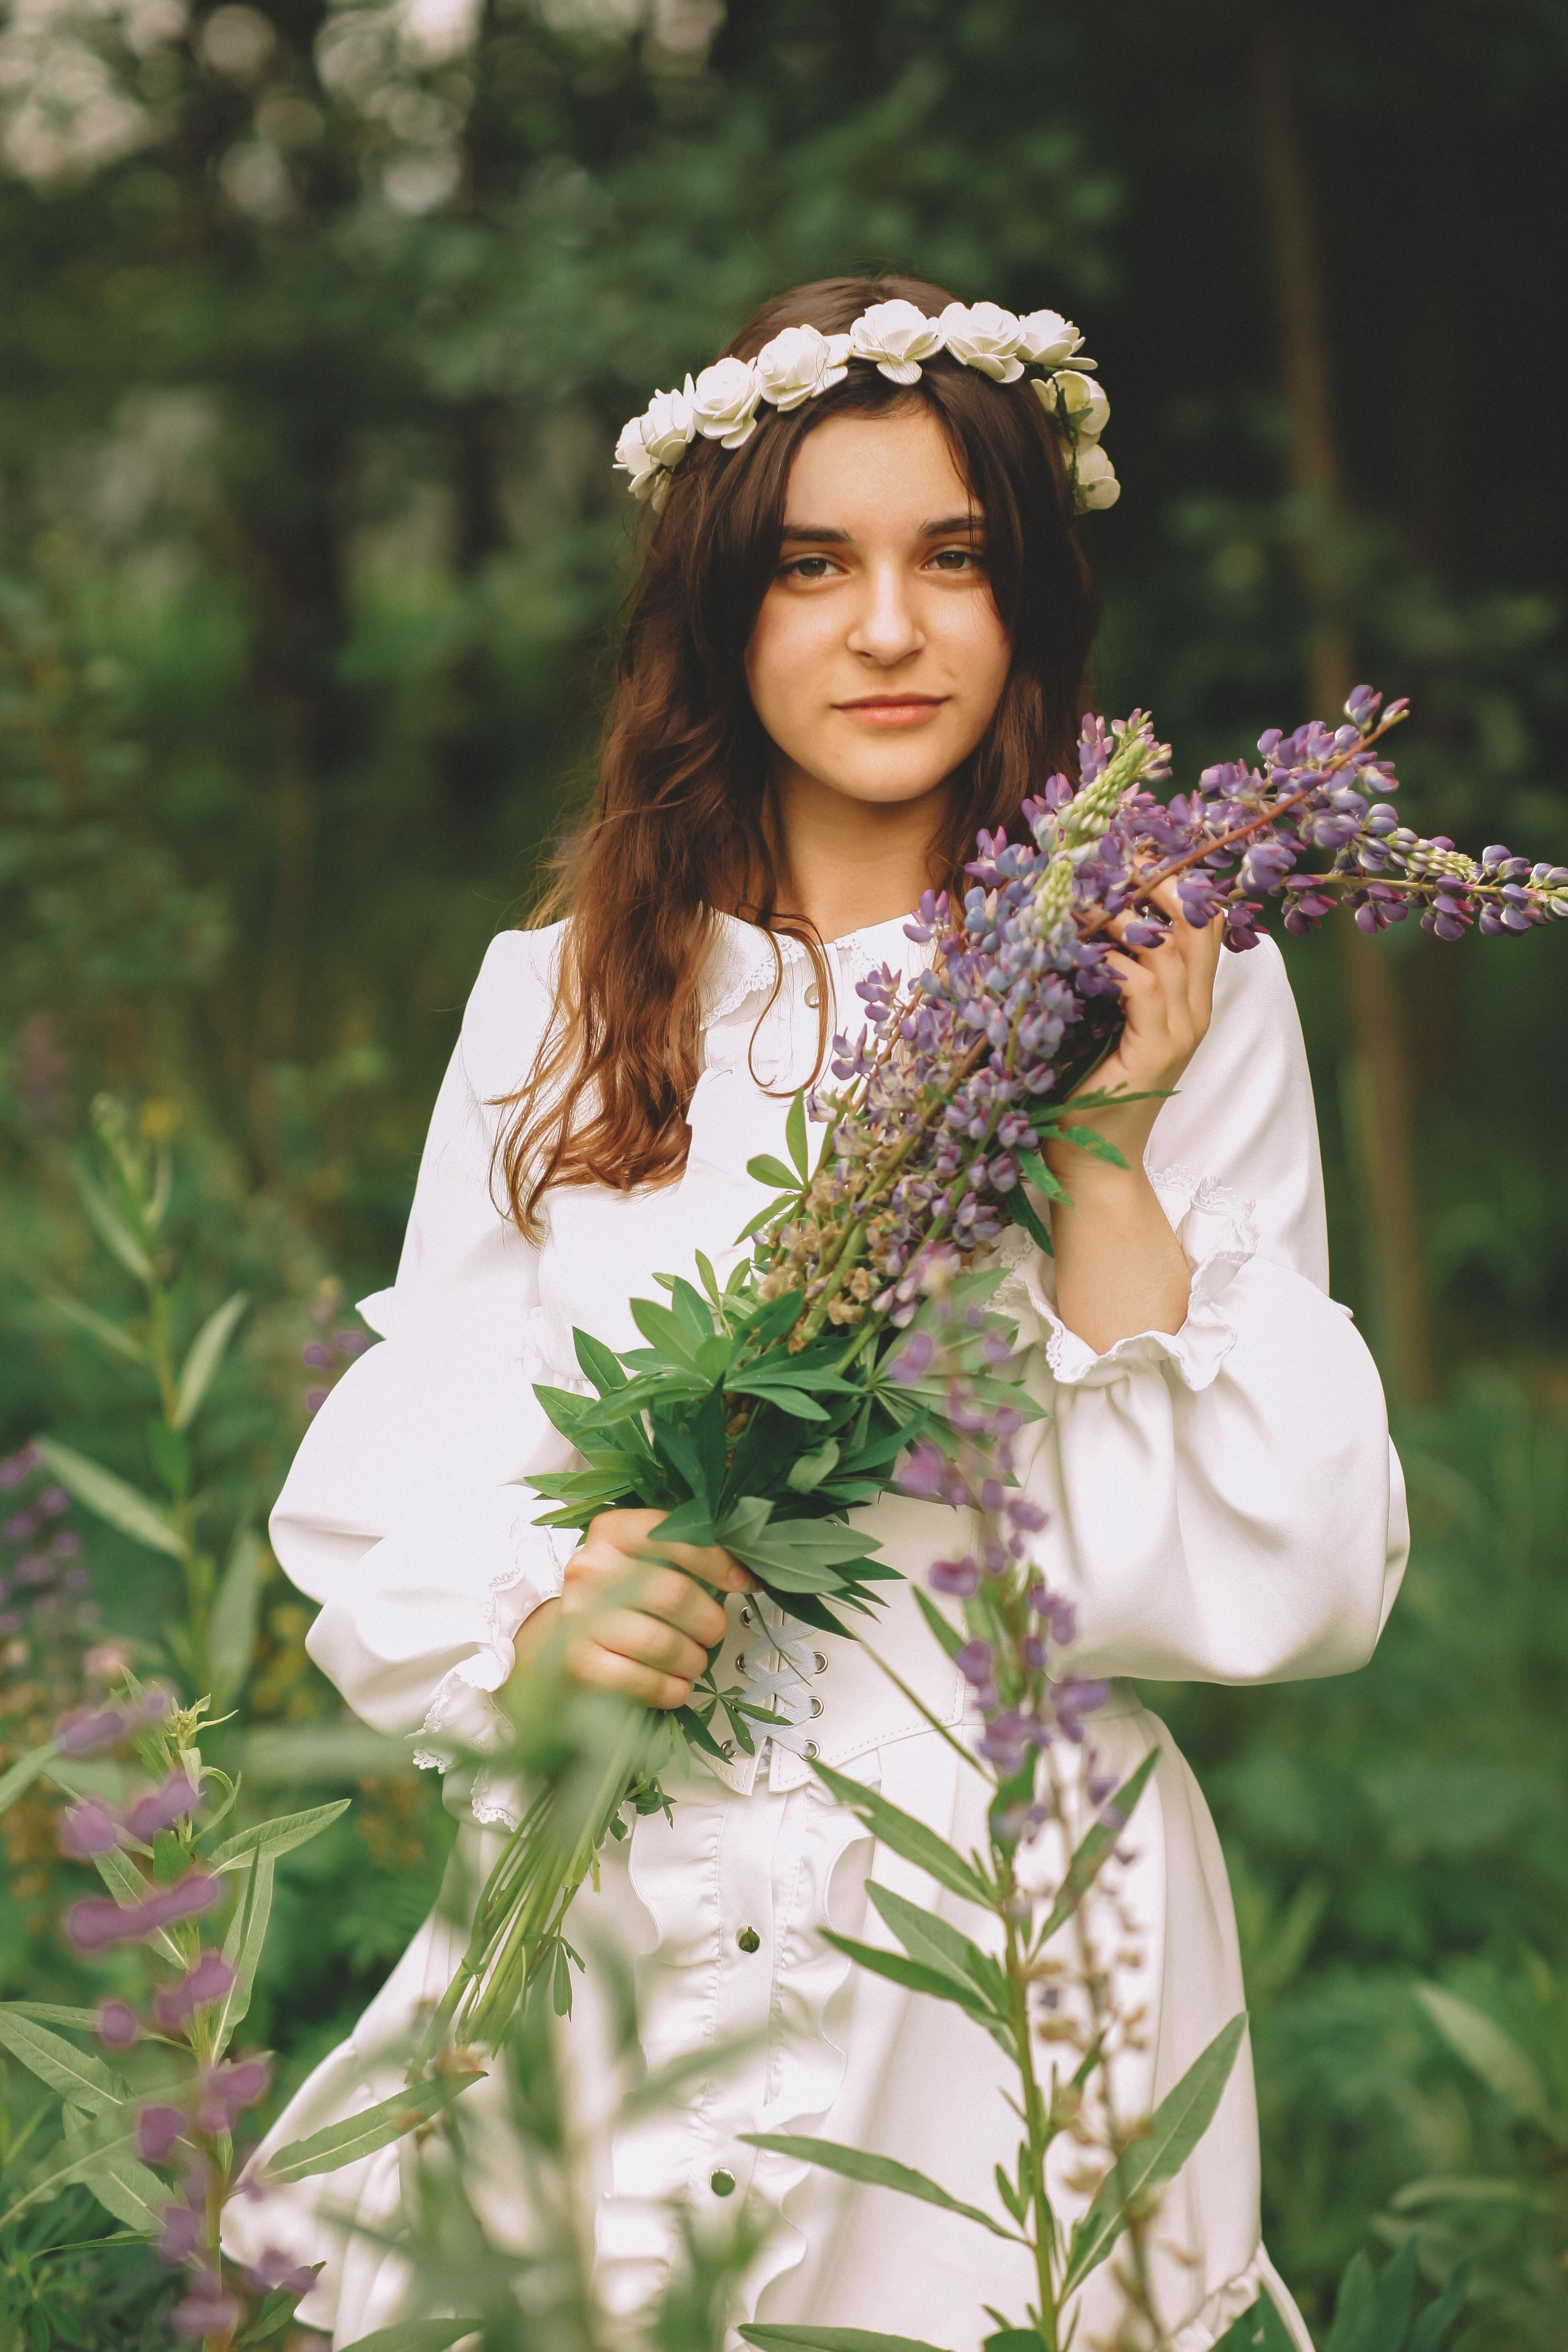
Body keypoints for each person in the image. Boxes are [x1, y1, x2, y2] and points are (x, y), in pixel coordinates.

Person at [226, 275, 1407, 2348]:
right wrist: (541, 1620)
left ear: (1026, 592)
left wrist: (1105, 1146)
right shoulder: (565, 993)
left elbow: (1274, 1573)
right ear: (719, 608)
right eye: (813, 566)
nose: (889, 628)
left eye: (953, 557)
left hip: (1000, 1923)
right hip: (621, 1897)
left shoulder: (1170, 982)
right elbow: (420, 1441)